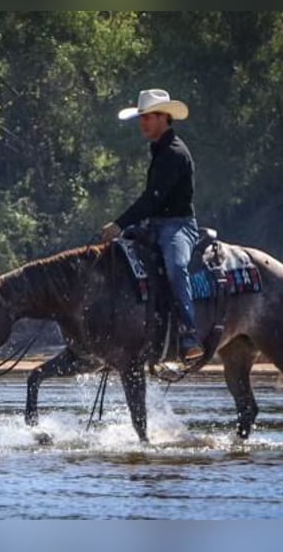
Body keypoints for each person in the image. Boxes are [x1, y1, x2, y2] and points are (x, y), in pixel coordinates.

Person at [101, 88, 203, 364]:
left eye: (147, 117)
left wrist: (120, 224)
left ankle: (189, 334)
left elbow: (152, 198)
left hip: (179, 226)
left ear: (164, 118)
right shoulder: (159, 150)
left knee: (175, 266)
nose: (142, 123)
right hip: (156, 224)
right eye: (142, 117)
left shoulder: (174, 153)